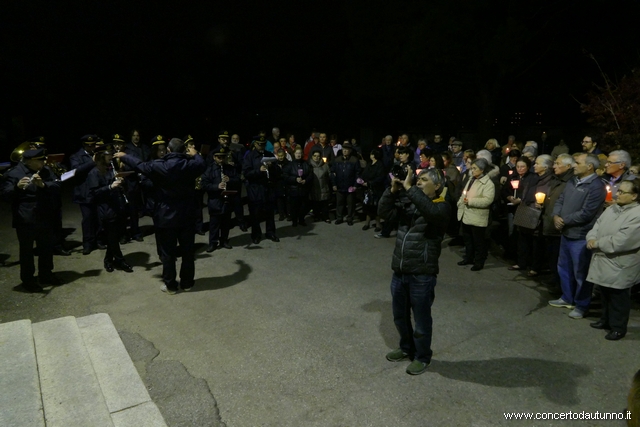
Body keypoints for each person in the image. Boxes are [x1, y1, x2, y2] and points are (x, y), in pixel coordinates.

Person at [378, 168, 451, 375]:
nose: (418, 182)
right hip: (400, 270)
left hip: (422, 273)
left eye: (424, 180)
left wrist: (410, 188)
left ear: (437, 186)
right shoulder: (410, 202)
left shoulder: (442, 207)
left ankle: (422, 356)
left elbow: (430, 212)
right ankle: (405, 348)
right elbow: (384, 213)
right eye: (417, 179)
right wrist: (391, 192)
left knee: (421, 320)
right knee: (399, 317)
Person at [115, 138, 206, 294]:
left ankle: (171, 286)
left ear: (169, 150)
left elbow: (139, 165)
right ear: (183, 151)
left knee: (168, 253)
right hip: (186, 216)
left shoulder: (158, 165)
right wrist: (195, 154)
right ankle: (187, 283)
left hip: (166, 216)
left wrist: (124, 156)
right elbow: (202, 164)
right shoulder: (191, 165)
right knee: (187, 252)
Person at [548, 153, 607, 318]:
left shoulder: (596, 186)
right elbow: (560, 199)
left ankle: (582, 305)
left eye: (577, 162)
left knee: (581, 273)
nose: (573, 165)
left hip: (581, 235)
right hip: (566, 233)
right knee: (564, 268)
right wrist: (556, 216)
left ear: (589, 166)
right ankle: (567, 298)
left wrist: (564, 220)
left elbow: (587, 213)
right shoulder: (573, 181)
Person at [586, 178, 640, 340]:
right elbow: (597, 225)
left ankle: (618, 327)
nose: (618, 194)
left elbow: (623, 240)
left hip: (620, 262)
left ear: (634, 196)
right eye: (619, 190)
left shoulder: (637, 214)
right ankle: (606, 320)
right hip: (603, 259)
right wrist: (591, 237)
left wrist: (598, 243)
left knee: (618, 297)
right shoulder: (612, 209)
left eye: (623, 192)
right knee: (605, 292)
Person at [1, 148, 61, 291]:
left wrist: (44, 185)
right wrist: (17, 187)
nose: (44, 162)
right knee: (27, 251)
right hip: (25, 218)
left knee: (46, 247)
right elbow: (4, 195)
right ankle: (28, 280)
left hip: (44, 215)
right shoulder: (14, 173)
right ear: (30, 161)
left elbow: (57, 184)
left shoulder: (45, 170)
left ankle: (46, 274)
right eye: (40, 160)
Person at [87, 145, 133, 273]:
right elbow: (93, 193)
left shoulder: (110, 168)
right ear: (101, 156)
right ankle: (120, 260)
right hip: (105, 209)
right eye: (108, 155)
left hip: (116, 206)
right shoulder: (94, 172)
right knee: (112, 236)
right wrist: (110, 187)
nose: (110, 157)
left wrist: (119, 180)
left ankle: (108, 260)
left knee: (114, 236)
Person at [541, 154, 575, 293]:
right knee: (552, 256)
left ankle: (562, 287)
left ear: (568, 166)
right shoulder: (557, 180)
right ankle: (556, 280)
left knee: (559, 258)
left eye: (557, 163)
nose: (554, 166)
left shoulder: (570, 182)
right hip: (550, 221)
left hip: (559, 225)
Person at [457, 158, 495, 271]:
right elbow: (464, 193)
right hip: (467, 215)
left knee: (478, 241)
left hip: (478, 217)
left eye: (475, 168)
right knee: (468, 239)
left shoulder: (488, 184)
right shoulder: (471, 179)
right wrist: (460, 203)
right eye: (472, 168)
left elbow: (487, 200)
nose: (472, 170)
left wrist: (470, 201)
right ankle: (468, 257)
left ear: (482, 170)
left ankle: (479, 262)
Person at [201, 146, 240, 252]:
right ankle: (213, 243)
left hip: (227, 200)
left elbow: (238, 180)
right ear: (214, 157)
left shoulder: (229, 168)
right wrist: (216, 186)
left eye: (223, 157)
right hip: (215, 200)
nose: (221, 160)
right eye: (219, 157)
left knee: (226, 223)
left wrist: (230, 180)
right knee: (214, 224)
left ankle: (224, 241)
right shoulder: (209, 169)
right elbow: (203, 184)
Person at [243, 136, 281, 244]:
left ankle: (270, 232)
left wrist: (272, 167)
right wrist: (258, 171)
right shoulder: (250, 156)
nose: (262, 146)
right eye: (260, 144)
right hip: (256, 188)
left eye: (264, 144)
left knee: (269, 212)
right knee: (255, 213)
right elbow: (246, 173)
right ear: (255, 144)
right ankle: (256, 234)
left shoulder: (269, 155)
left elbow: (278, 171)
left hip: (268, 187)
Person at [70, 134, 100, 255]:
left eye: (93, 145)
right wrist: (92, 162)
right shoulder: (76, 156)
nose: (91, 147)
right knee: (87, 219)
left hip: (97, 190)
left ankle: (98, 240)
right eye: (89, 146)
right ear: (84, 145)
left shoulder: (98, 154)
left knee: (98, 217)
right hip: (84, 191)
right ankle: (87, 244)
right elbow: (76, 171)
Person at [331, 142, 361, 226]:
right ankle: (339, 218)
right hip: (339, 185)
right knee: (339, 203)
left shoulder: (354, 160)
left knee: (350, 204)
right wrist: (334, 184)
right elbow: (333, 173)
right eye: (343, 149)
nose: (344, 151)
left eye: (346, 150)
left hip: (350, 186)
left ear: (350, 151)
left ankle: (349, 218)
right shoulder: (337, 160)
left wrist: (355, 185)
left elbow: (358, 174)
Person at [283, 146, 313, 226]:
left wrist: (305, 180)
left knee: (303, 206)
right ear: (294, 154)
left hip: (303, 189)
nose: (298, 155)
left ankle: (301, 219)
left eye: (300, 153)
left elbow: (310, 174)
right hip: (294, 190)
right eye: (297, 153)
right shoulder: (290, 165)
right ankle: (294, 220)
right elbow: (285, 176)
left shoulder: (306, 164)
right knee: (294, 206)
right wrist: (295, 179)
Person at [360, 148, 386, 231]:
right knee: (367, 206)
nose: (370, 155)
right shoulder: (369, 164)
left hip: (376, 189)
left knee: (375, 206)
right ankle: (367, 223)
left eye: (372, 154)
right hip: (368, 189)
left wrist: (370, 183)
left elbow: (380, 178)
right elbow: (364, 174)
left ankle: (378, 224)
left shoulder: (380, 165)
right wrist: (361, 180)